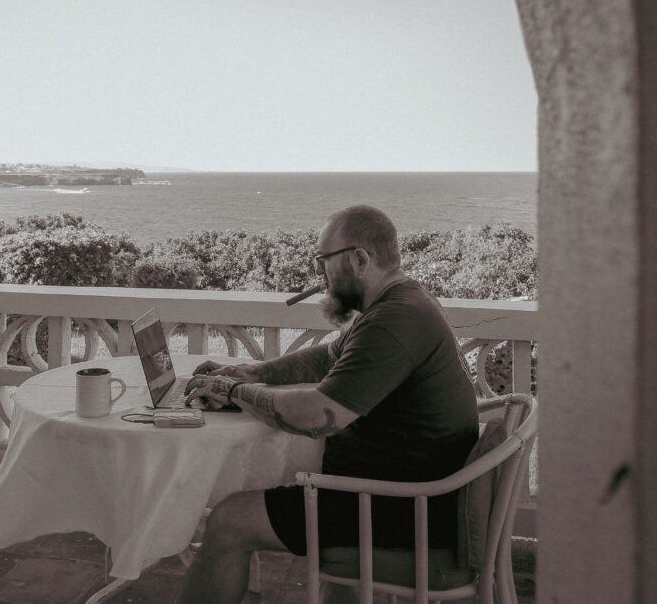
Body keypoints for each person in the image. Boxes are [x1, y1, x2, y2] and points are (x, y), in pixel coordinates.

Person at [176, 204, 479, 604]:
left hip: (401, 516)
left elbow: (319, 415)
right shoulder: (402, 301)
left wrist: (233, 393)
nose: (320, 277)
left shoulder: (395, 320)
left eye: (324, 262)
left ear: (359, 259)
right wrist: (251, 372)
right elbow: (327, 356)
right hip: (409, 497)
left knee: (230, 520)